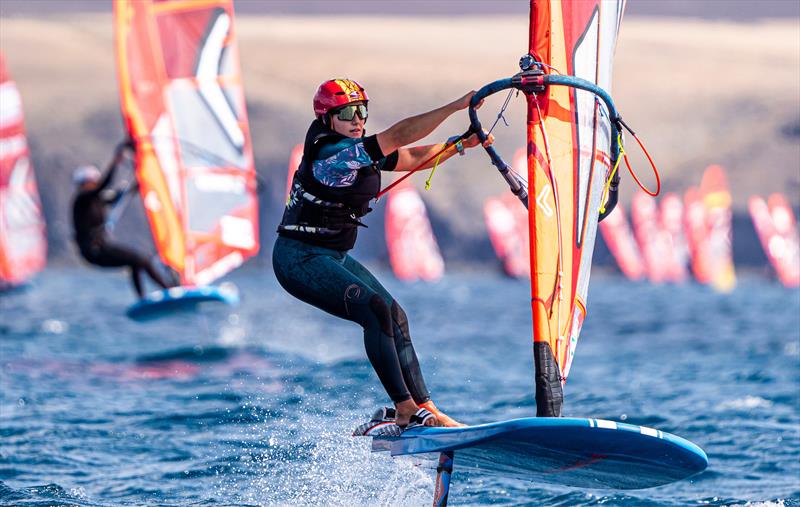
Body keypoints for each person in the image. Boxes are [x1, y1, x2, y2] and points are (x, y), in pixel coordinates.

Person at [273, 78, 493, 430]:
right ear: (328, 119)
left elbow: (408, 157)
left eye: (362, 111)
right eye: (347, 114)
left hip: (332, 257)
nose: (358, 120)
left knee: (394, 313)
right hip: (298, 259)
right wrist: (455, 106)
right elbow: (399, 136)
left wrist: (460, 145)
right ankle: (404, 408)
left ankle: (427, 409)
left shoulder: (356, 147)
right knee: (374, 310)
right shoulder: (332, 154)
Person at [72, 141, 175, 299]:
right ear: (84, 184)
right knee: (141, 259)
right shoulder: (82, 200)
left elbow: (119, 196)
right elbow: (104, 185)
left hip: (100, 249)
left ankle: (143, 299)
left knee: (135, 261)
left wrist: (139, 181)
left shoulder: (98, 199)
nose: (94, 184)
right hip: (94, 252)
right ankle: (170, 290)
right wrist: (117, 159)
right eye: (92, 181)